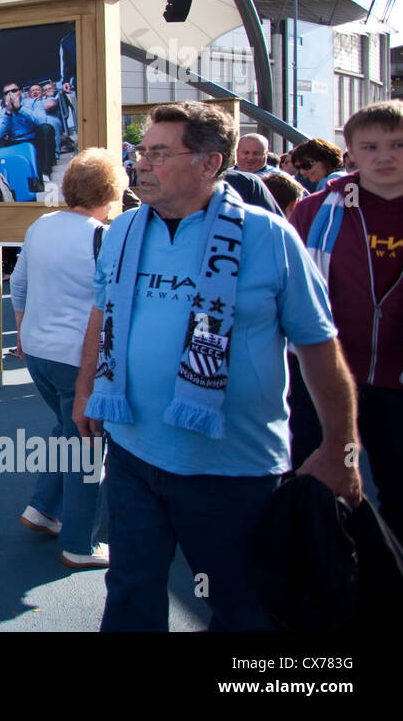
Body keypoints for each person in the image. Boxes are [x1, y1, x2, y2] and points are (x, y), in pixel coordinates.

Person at [73, 102, 362, 631]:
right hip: (134, 453)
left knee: (243, 608)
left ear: (210, 164)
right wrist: (84, 389)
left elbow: (320, 347)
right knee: (132, 590)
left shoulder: (268, 237)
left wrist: (341, 449)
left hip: (233, 470)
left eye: (160, 153)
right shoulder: (122, 231)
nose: (141, 164)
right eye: (142, 152)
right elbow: (102, 313)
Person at [290, 100, 403, 537]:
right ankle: (324, 586)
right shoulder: (317, 211)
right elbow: (289, 289)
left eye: (397, 145)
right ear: (350, 151)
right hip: (325, 377)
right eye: (370, 146)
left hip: (395, 383)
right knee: (319, 483)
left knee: (397, 490)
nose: (385, 156)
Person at [12, 148, 128, 569]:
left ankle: (43, 508)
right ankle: (80, 544)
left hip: (38, 351)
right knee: (89, 447)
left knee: (68, 430)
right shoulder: (105, 236)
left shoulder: (41, 225)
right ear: (112, 190)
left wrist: (24, 333)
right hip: (78, 359)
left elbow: (19, 286)